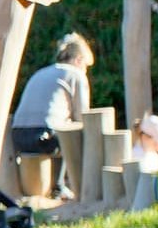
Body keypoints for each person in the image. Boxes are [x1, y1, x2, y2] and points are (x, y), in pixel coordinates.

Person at [7, 33, 93, 192]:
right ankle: (59, 186)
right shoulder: (76, 75)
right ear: (79, 59)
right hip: (45, 135)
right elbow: (83, 116)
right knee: (73, 132)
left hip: (18, 135)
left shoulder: (41, 72)